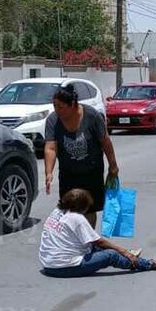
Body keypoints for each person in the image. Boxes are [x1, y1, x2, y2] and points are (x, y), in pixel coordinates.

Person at [40, 188, 156, 277]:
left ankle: (131, 257)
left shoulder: (56, 212)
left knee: (95, 247)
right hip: (65, 268)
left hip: (48, 265)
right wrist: (123, 251)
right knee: (111, 255)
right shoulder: (77, 218)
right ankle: (149, 264)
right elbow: (99, 241)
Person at [43, 83, 118, 228]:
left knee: (89, 209)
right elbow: (51, 148)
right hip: (68, 173)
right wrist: (48, 172)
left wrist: (113, 165)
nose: (56, 110)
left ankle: (87, 241)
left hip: (91, 172)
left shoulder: (92, 116)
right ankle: (74, 243)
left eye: (60, 107)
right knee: (69, 210)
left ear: (72, 104)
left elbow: (105, 141)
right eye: (54, 106)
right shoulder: (53, 121)